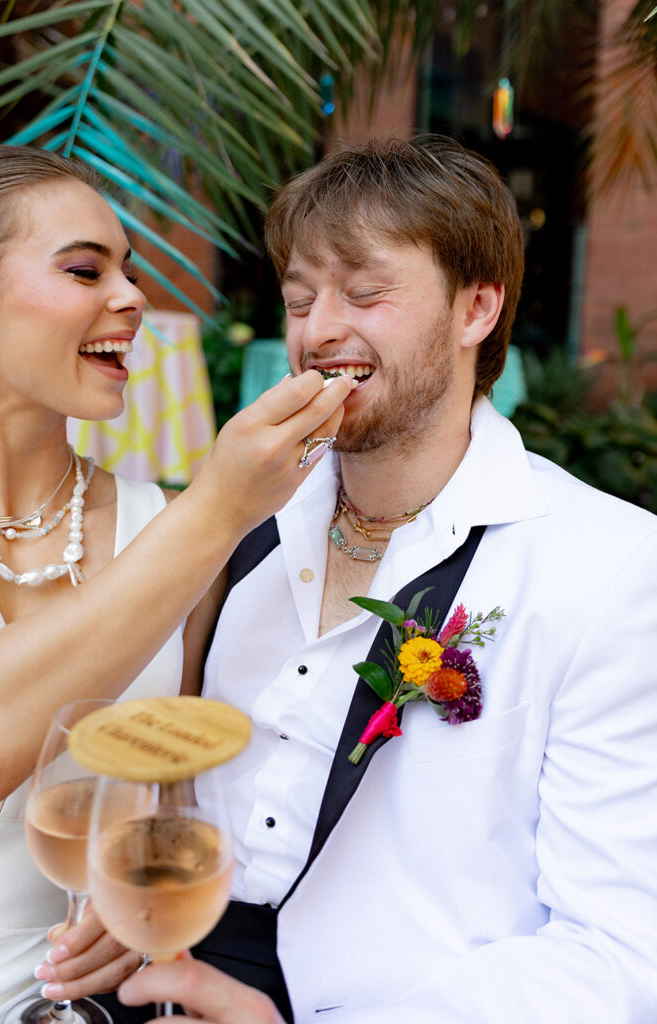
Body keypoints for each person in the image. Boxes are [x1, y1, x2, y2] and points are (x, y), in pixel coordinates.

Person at [44, 136, 657, 1023]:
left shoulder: (611, 566)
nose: (317, 330)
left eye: (365, 292)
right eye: (299, 298)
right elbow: (172, 771)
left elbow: (618, 955)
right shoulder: (231, 524)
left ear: (475, 309)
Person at [0, 142, 355, 1023]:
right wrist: (219, 506)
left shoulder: (167, 528)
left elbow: (175, 791)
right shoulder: (196, 528)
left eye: (130, 270)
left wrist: (142, 885)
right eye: (83, 268)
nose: (133, 297)